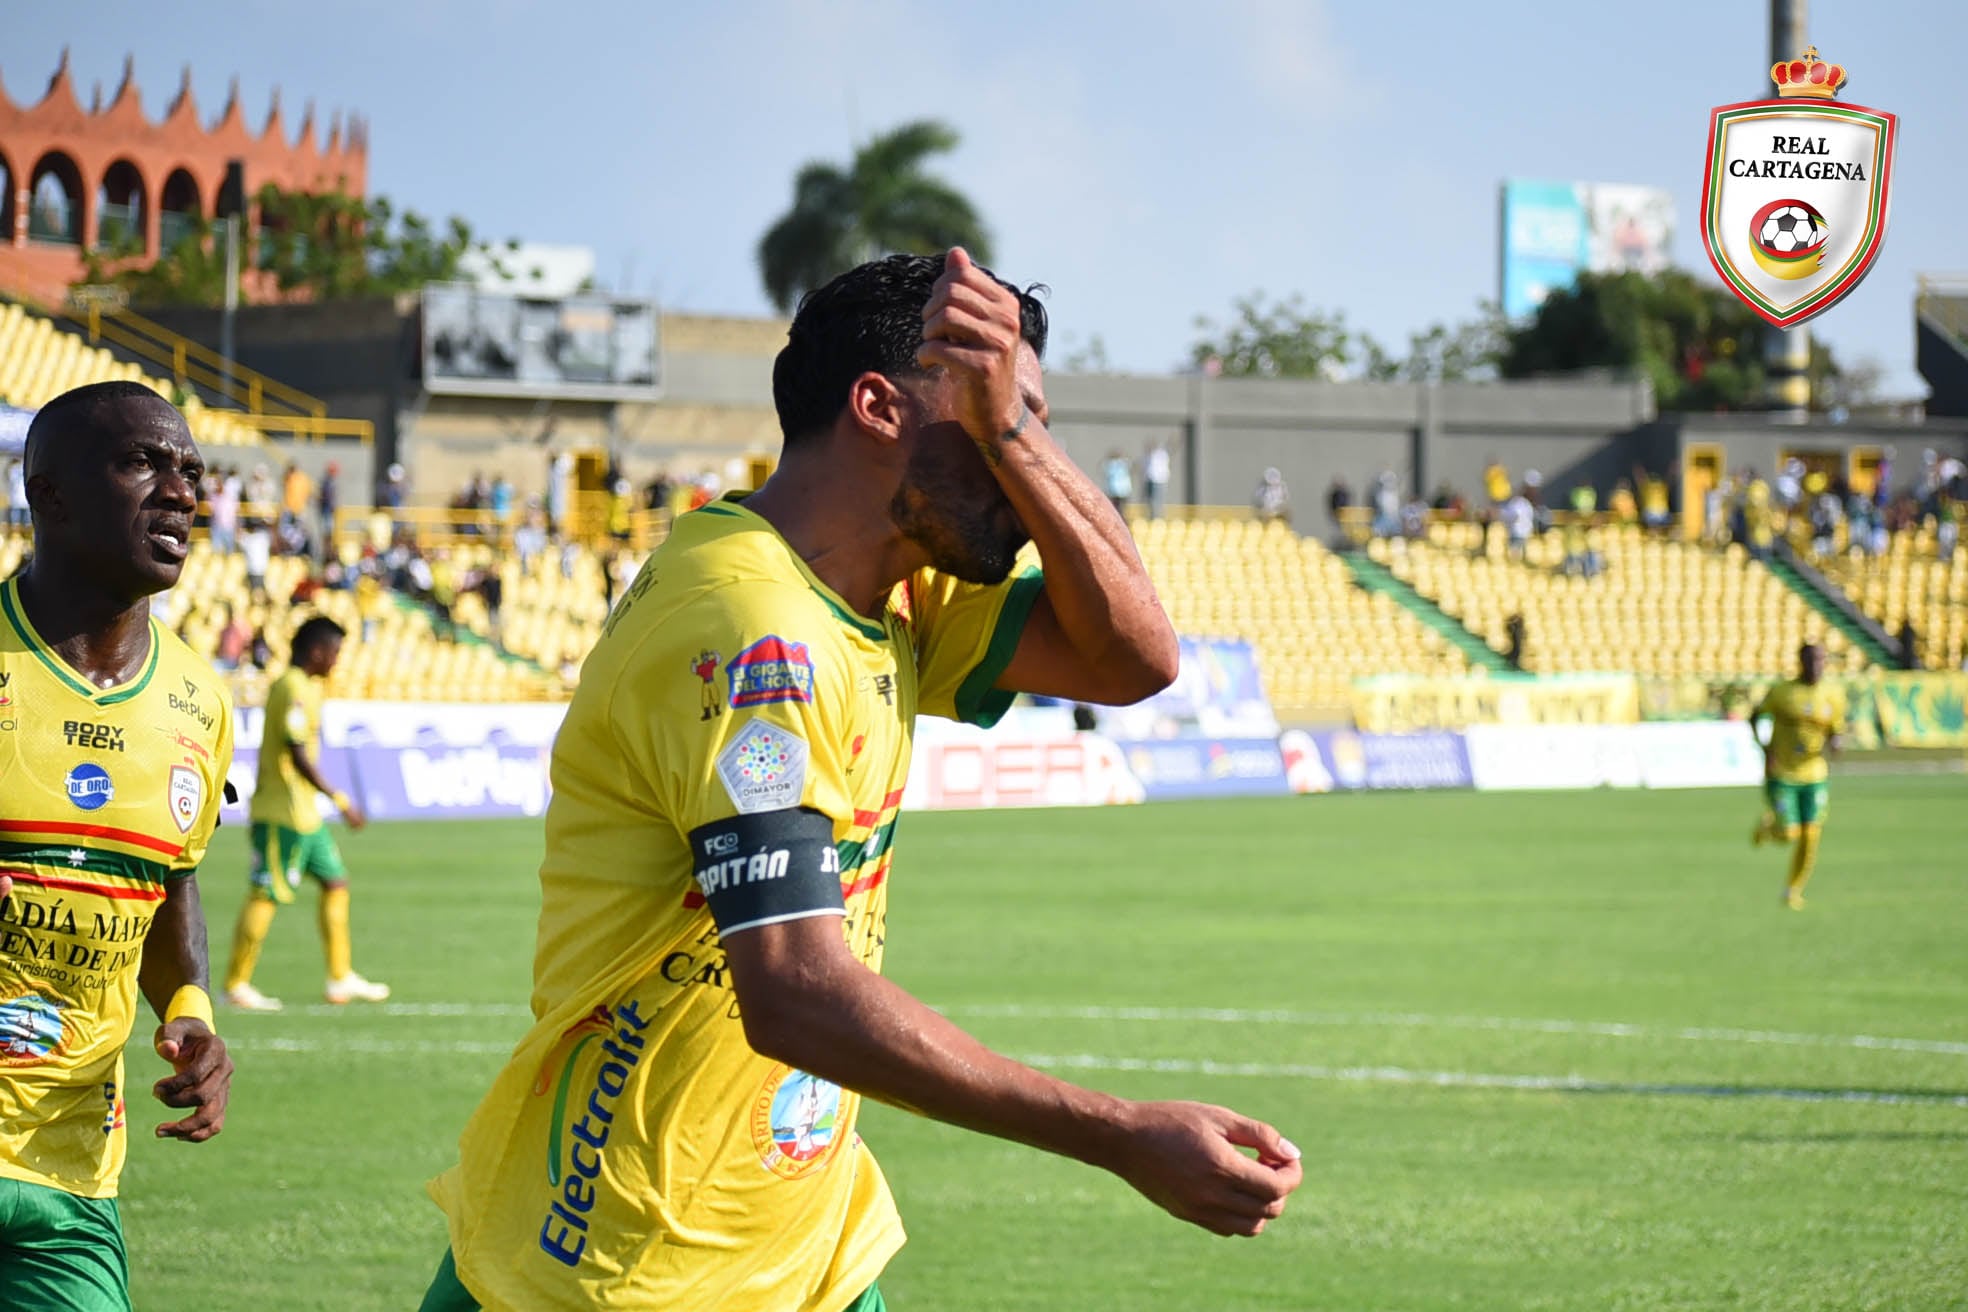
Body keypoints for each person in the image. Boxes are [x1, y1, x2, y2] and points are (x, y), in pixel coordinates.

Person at [418, 251, 1300, 1311]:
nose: (1027, 474)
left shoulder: (890, 586)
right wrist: (1119, 1134)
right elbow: (797, 994)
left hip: (814, 1252)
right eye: (994, 420)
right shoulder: (755, 631)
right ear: (880, 407)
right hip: (632, 1266)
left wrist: (1016, 431)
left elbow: (1134, 658)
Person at [0, 380, 235, 1309]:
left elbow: (169, 882)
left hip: (72, 1178)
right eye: (142, 462)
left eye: (190, 470)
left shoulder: (200, 701)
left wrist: (192, 1007)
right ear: (47, 493)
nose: (179, 491)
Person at [222, 616, 389, 1011]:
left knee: (336, 882)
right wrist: (342, 800)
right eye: (335, 653)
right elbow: (296, 754)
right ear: (317, 652)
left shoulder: (305, 688)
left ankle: (340, 977)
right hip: (282, 812)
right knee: (267, 893)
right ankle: (236, 984)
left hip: (305, 815)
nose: (336, 661)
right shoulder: (292, 687)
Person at [1750, 642, 1846, 910]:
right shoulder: (1783, 692)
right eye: (1811, 660)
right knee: (1789, 833)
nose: (1816, 666)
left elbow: (1835, 729)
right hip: (1783, 773)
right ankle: (1768, 827)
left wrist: (1836, 742)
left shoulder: (1833, 695)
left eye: (1821, 660)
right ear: (1801, 661)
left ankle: (1793, 889)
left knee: (1811, 835)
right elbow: (1755, 716)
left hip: (1814, 774)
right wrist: (1766, 748)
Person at [1101, 448, 1134, 518]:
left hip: (1122, 490)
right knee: (1116, 509)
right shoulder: (1110, 464)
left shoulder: (1124, 463)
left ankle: (1123, 520)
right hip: (1114, 490)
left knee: (1122, 509)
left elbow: (1132, 466)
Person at [1142, 440, 1171, 518]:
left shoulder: (1160, 454)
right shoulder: (1148, 456)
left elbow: (1170, 445)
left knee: (1158, 500)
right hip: (1150, 480)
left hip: (1159, 481)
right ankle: (1151, 516)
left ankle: (1158, 517)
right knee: (1149, 500)